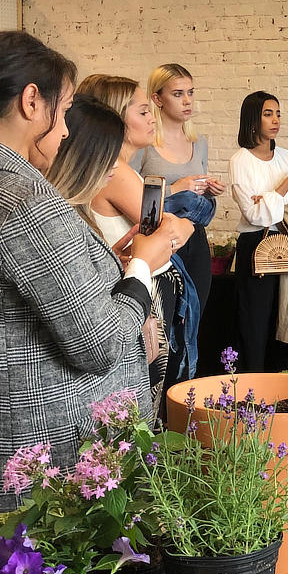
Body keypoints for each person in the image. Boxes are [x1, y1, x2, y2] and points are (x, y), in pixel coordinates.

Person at [0, 31, 181, 524]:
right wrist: (140, 267)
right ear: (32, 101)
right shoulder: (23, 201)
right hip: (36, 453)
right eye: (66, 107)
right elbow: (99, 343)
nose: (68, 131)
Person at [76, 74, 202, 401]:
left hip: (143, 287)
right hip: (140, 294)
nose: (152, 120)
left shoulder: (122, 168)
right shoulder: (114, 171)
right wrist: (190, 222)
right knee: (147, 402)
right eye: (144, 112)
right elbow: (168, 230)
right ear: (115, 117)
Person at [228, 91, 288, 373]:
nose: (276, 120)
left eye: (278, 113)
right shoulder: (240, 160)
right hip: (255, 246)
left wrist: (268, 198)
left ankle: (287, 391)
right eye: (268, 114)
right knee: (254, 325)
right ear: (252, 119)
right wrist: (284, 187)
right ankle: (253, 393)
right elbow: (255, 216)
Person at [139, 63, 226, 315]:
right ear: (157, 98)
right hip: (159, 240)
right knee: (164, 324)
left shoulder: (199, 143)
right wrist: (175, 189)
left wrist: (210, 190)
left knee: (194, 319)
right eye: (178, 94)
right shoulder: (144, 143)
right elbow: (131, 197)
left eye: (191, 92)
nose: (187, 101)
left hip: (195, 240)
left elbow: (201, 205)